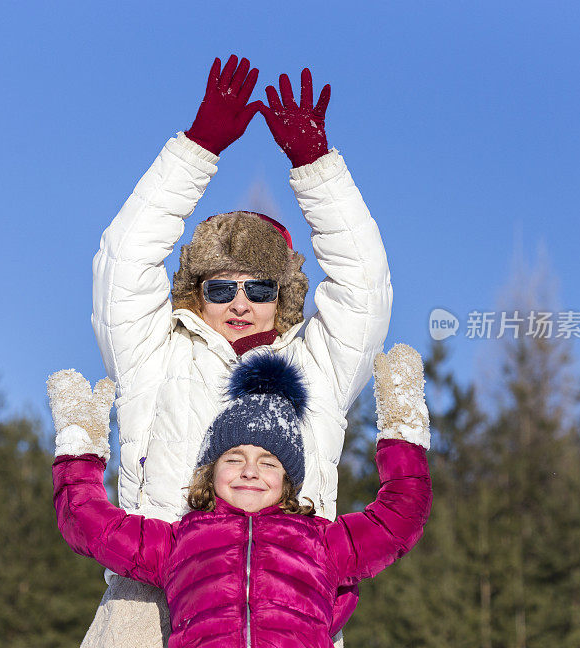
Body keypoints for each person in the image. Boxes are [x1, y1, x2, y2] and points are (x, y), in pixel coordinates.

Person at [88, 54, 393, 646]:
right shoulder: (156, 351)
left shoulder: (316, 366)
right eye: (220, 286)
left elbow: (363, 288)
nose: (239, 302)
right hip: (151, 605)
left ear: (284, 297)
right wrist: (197, 149)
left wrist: (316, 168)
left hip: (289, 604)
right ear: (193, 294)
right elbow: (124, 264)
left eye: (259, 287)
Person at [48, 346, 432, 648]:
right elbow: (90, 525)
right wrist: (79, 450)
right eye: (234, 458)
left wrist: (402, 432)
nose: (250, 470)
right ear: (211, 472)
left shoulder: (322, 543)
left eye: (268, 463)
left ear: (287, 481)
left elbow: (399, 516)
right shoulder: (179, 543)